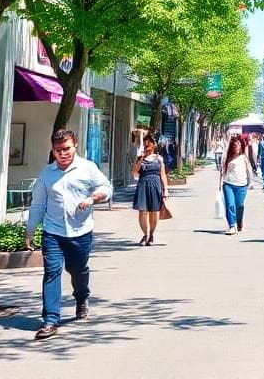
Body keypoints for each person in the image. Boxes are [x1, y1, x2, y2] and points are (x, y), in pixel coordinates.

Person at [25, 128, 111, 340]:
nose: (63, 154)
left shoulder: (87, 168)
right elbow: (38, 204)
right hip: (53, 232)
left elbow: (106, 187)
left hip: (81, 231)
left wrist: (93, 198)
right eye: (58, 150)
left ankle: (81, 297)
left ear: (75, 146)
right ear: (52, 151)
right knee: (52, 272)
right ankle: (50, 320)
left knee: (77, 269)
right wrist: (30, 230)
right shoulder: (47, 174)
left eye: (66, 149)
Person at [131, 133, 169, 246]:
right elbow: (135, 173)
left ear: (154, 145)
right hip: (143, 185)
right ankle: (145, 234)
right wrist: (139, 161)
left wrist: (165, 190)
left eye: (149, 143)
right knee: (142, 211)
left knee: (154, 212)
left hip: (155, 186)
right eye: (145, 143)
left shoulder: (159, 159)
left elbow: (163, 175)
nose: (147, 145)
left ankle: (151, 234)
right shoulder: (140, 158)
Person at [220, 135, 254, 234]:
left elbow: (249, 171)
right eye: (235, 145)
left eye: (239, 144)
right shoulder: (227, 157)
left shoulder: (244, 158)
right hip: (228, 184)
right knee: (230, 204)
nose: (237, 146)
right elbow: (222, 169)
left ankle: (239, 220)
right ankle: (232, 225)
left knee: (239, 206)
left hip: (241, 185)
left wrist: (251, 183)